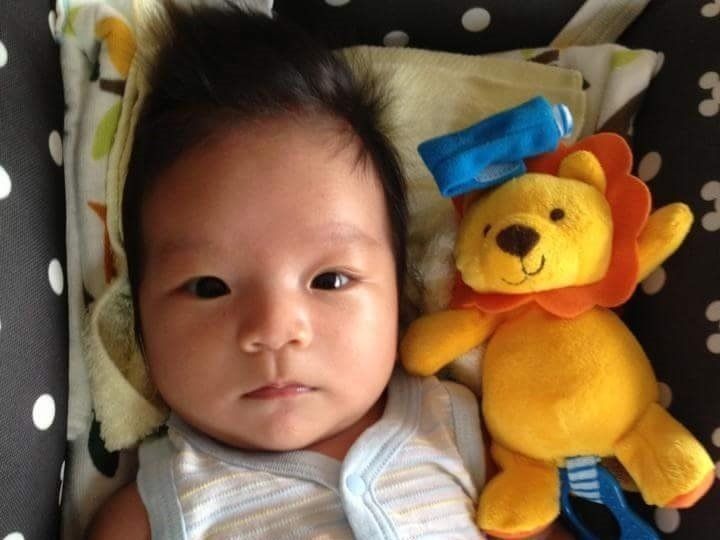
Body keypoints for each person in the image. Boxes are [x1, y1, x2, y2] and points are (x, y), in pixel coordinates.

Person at [87, 2, 499, 538]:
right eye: (210, 287)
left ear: (400, 292)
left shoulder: (459, 430)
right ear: (136, 312)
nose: (275, 329)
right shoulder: (152, 511)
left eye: (330, 280)